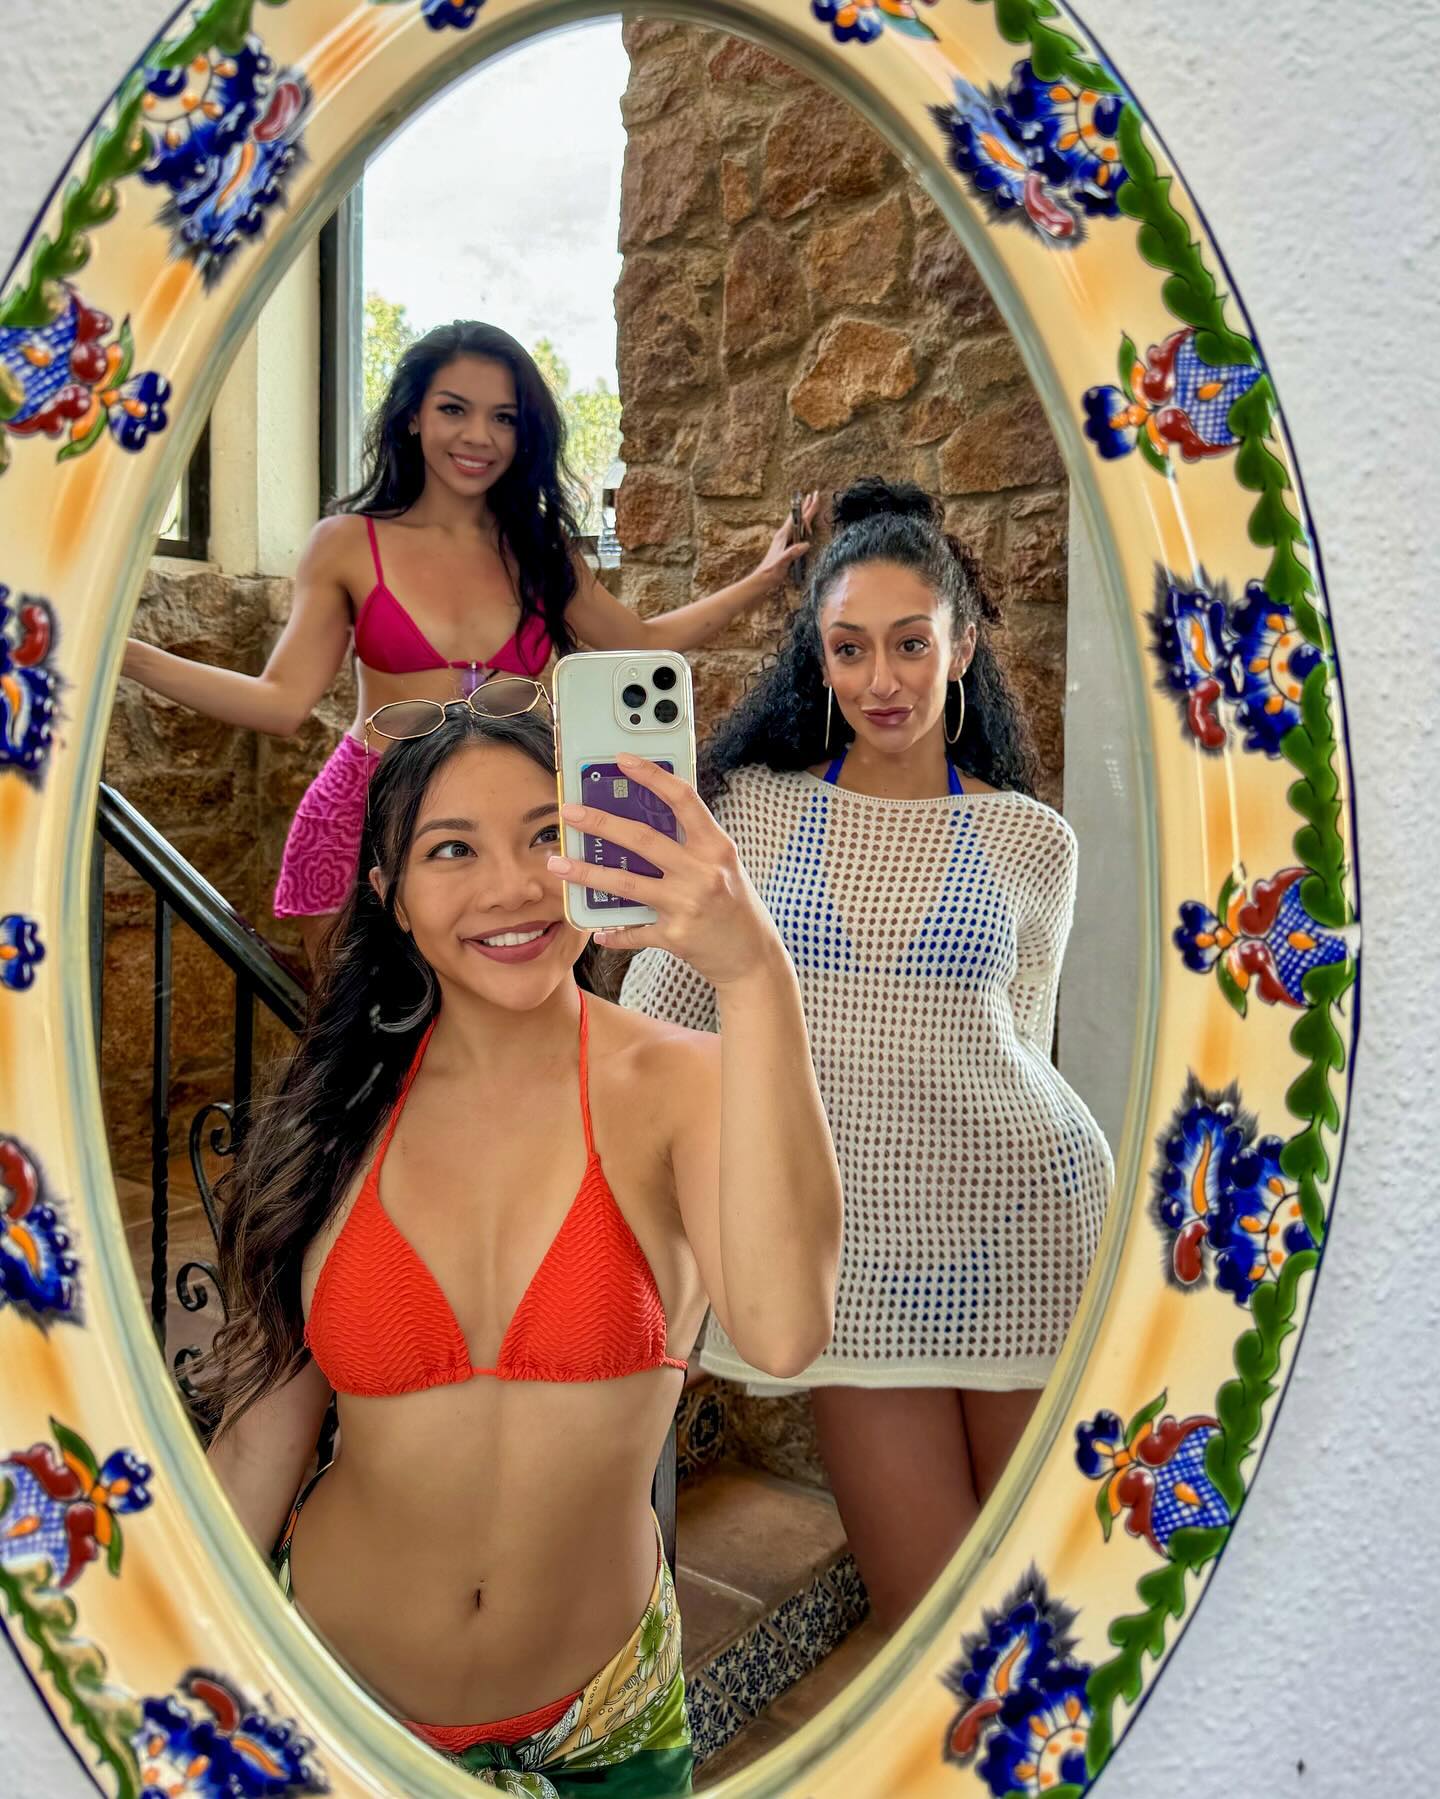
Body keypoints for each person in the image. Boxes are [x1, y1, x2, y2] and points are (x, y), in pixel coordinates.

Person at [201, 688, 842, 1793]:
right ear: (392, 896)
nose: (512, 885)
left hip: (603, 1736)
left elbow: (784, 1331)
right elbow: (261, 1443)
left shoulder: (682, 1083)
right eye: (452, 848)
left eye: (549, 835)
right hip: (326, 1704)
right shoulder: (338, 1109)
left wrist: (753, 973)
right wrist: (169, 1640)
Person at [620, 478, 1113, 1631]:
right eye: (850, 648)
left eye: (909, 643)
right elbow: (662, 1020)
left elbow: (1017, 1048)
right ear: (820, 656)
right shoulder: (749, 811)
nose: (881, 678)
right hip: (854, 1261)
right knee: (927, 1615)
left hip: (1027, 1230)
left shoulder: (1034, 841)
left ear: (961, 646)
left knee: (1052, 1596)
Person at [121, 319, 818, 961]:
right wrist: (124, 655)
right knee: (360, 1034)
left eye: (503, 417)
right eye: (454, 409)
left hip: (507, 825)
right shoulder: (346, 544)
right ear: (413, 416)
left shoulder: (541, 552)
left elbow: (639, 641)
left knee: (509, 1019)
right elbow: (280, 702)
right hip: (365, 818)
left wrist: (763, 579)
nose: (478, 435)